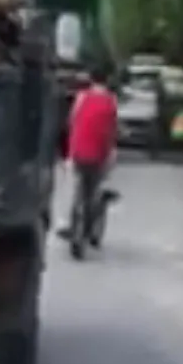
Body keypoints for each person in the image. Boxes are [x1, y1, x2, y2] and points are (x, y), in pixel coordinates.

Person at [58, 65, 119, 237]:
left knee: (73, 186)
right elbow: (113, 127)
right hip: (100, 152)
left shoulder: (82, 97)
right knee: (96, 185)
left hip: (78, 150)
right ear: (107, 81)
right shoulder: (111, 100)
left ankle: (70, 223)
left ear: (91, 80)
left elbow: (72, 120)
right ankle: (94, 220)